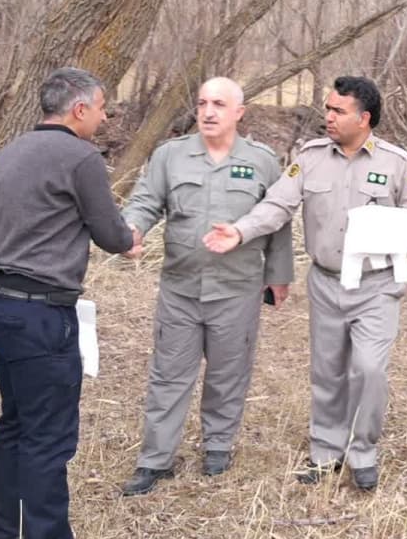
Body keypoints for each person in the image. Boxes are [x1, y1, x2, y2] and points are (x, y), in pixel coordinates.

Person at [203, 76, 407, 492]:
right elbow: (277, 204)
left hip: (376, 284)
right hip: (326, 281)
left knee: (369, 369)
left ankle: (363, 452)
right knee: (327, 372)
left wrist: (382, 222)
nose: (327, 116)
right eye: (328, 108)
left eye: (338, 111)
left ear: (364, 118)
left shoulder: (396, 162)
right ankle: (326, 452)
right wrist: (240, 231)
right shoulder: (310, 157)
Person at [0, 67, 142, 539]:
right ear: (79, 109)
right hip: (43, 315)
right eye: (102, 108)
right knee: (48, 438)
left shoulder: (9, 151)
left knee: (15, 422)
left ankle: (5, 533)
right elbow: (110, 232)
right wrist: (130, 240)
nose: (104, 117)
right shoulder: (80, 157)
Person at [119, 78, 294, 496]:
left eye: (218, 104)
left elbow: (278, 221)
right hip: (180, 287)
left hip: (237, 288)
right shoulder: (170, 155)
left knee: (228, 373)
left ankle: (218, 445)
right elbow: (145, 201)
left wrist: (279, 275)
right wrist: (131, 228)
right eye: (202, 103)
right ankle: (155, 459)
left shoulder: (262, 161)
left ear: (239, 112)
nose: (208, 112)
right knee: (168, 375)